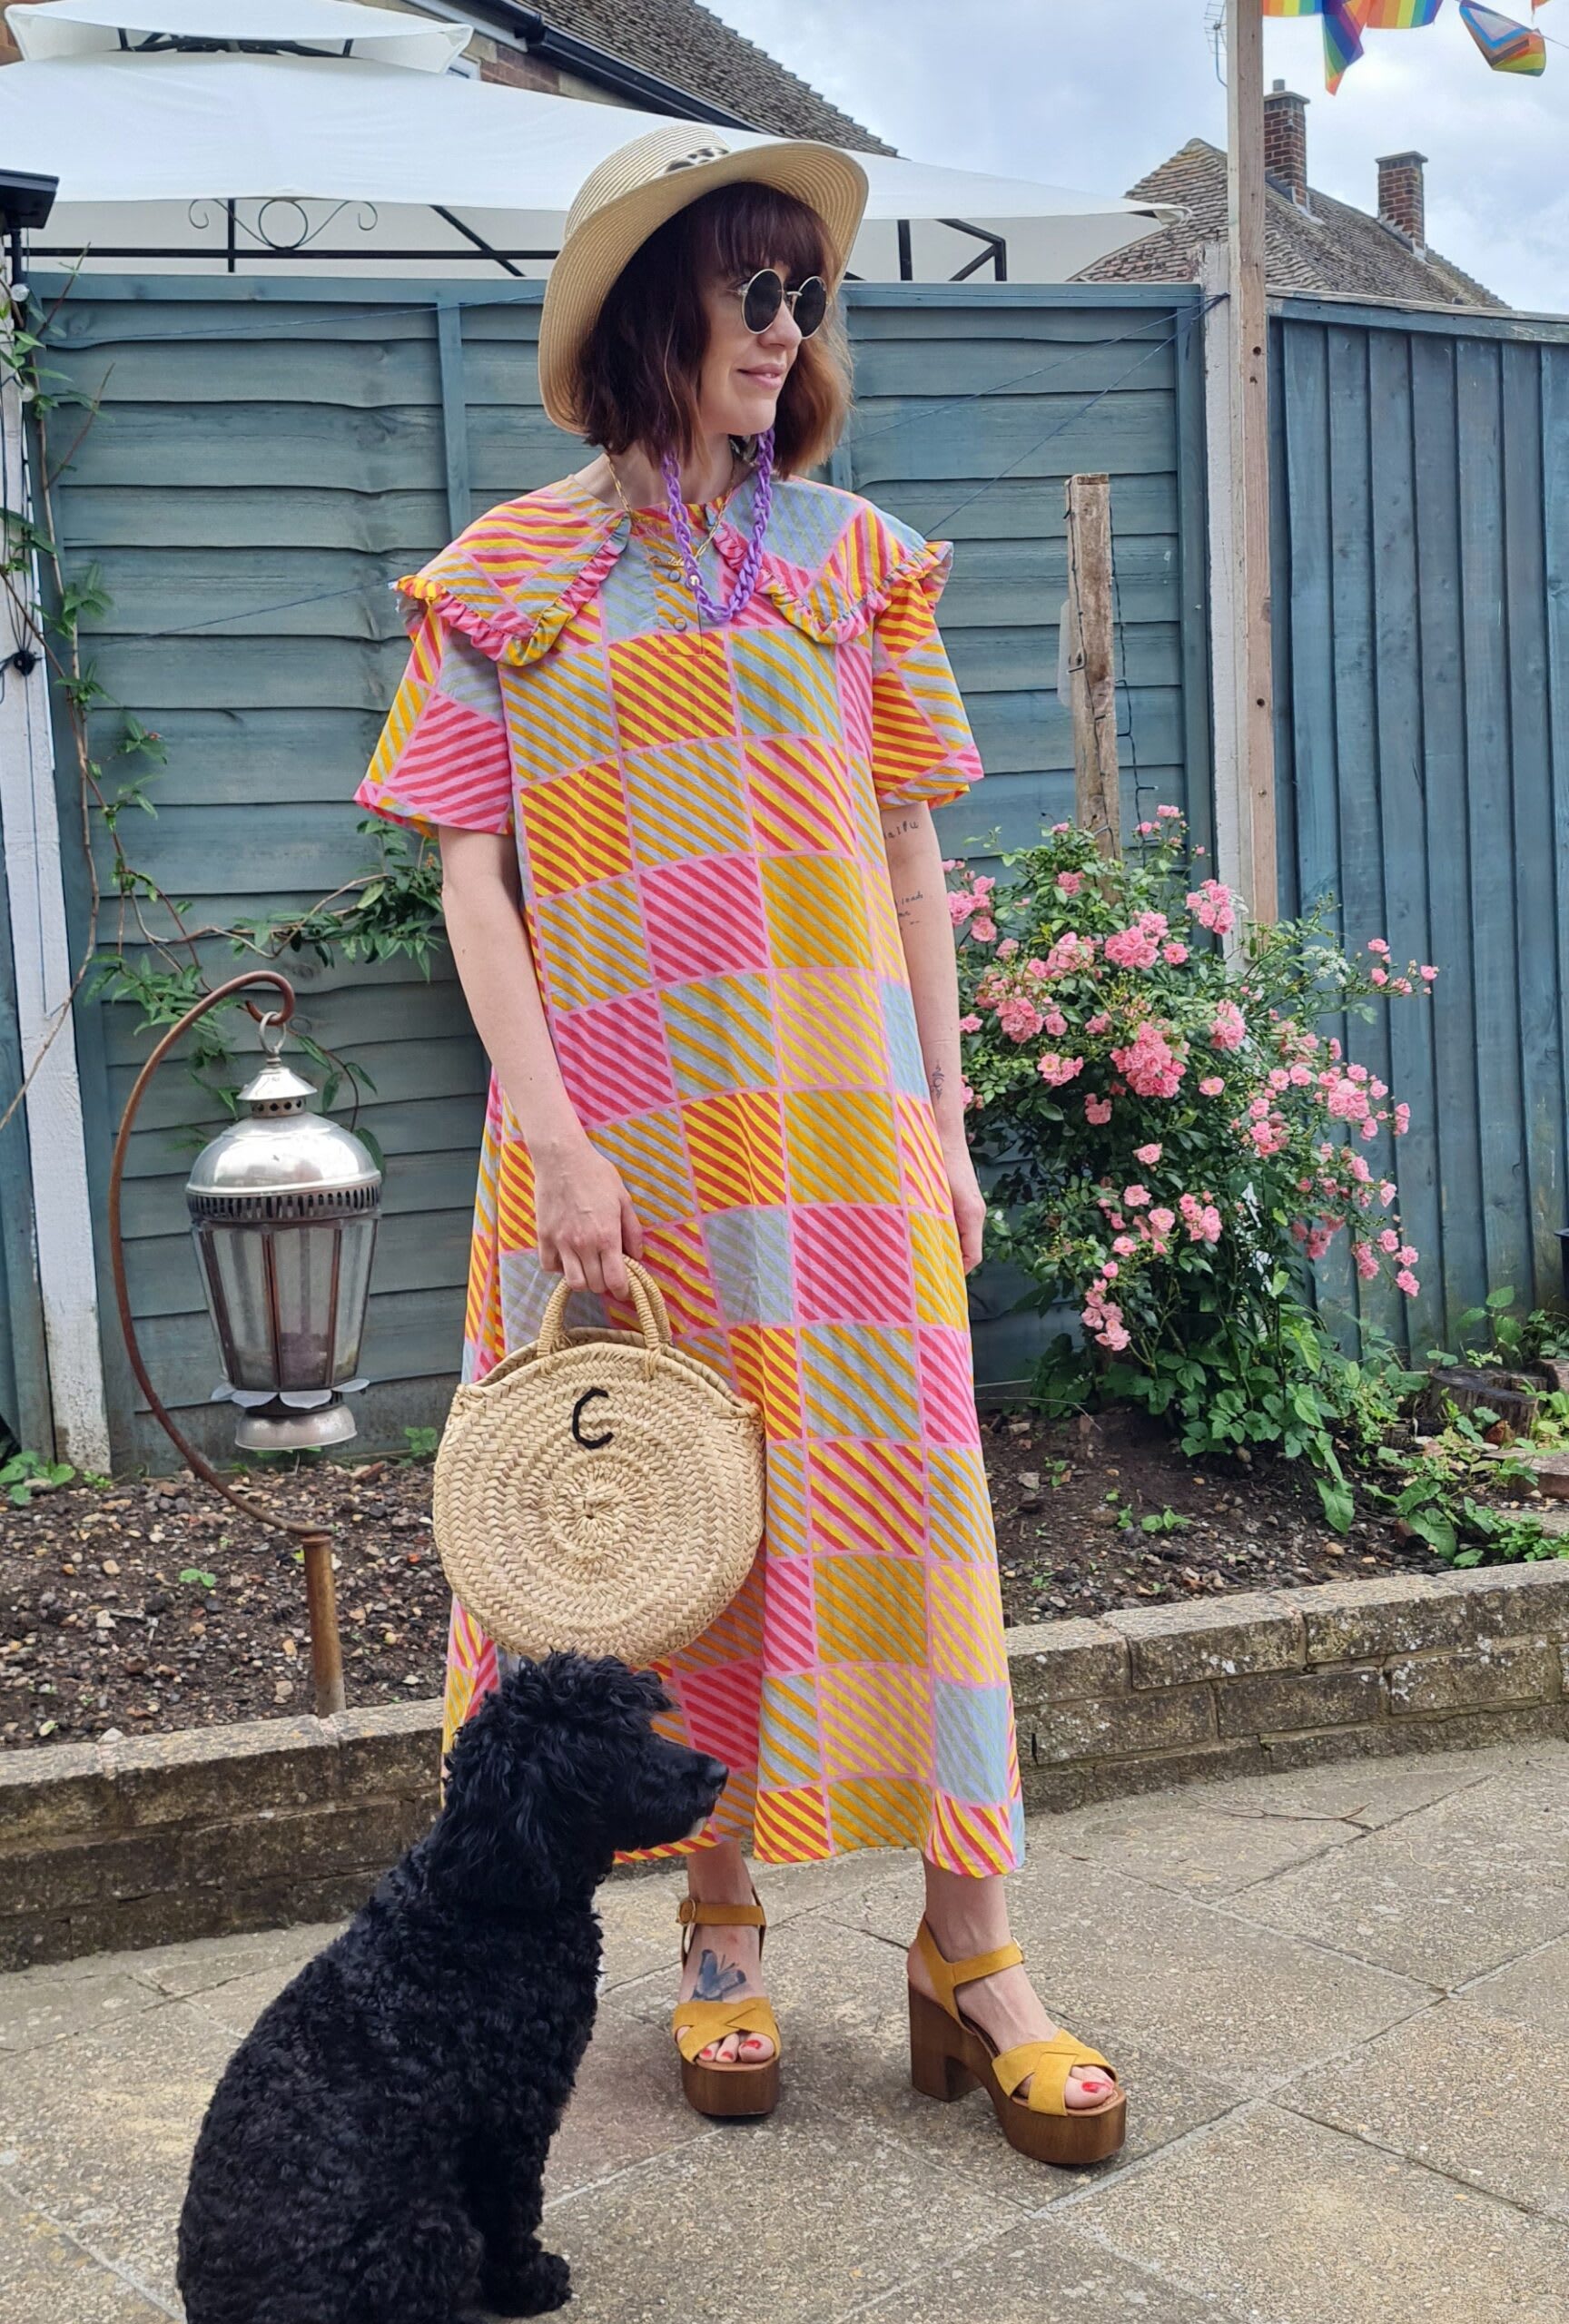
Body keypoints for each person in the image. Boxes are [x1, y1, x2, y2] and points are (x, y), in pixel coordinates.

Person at [355, 122, 1124, 2165]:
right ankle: (719, 1919)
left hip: (847, 1143)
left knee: (904, 1514)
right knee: (676, 1547)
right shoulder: (505, 575)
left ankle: (975, 1943)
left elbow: (912, 849)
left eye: (808, 298)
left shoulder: (863, 560)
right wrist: (557, 1133)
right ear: (653, 314)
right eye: (752, 291)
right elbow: (468, 882)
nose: (786, 330)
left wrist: (952, 1120)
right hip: (620, 1151)